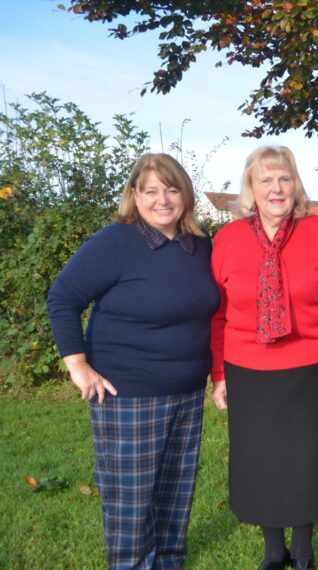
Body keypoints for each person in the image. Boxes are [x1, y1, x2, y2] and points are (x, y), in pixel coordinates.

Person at [47, 153, 219, 569]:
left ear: (186, 195)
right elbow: (63, 298)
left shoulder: (200, 246)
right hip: (128, 393)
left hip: (187, 391)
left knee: (175, 494)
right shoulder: (114, 242)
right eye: (151, 191)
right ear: (134, 196)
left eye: (172, 189)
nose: (163, 200)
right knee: (131, 502)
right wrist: (78, 366)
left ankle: (169, 562)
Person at [210, 145, 318, 570]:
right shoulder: (228, 239)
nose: (276, 188)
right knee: (262, 463)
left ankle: (305, 552)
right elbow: (217, 313)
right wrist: (218, 373)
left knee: (307, 461)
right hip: (248, 370)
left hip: (311, 367)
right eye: (266, 180)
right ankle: (274, 552)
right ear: (251, 189)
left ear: (295, 185)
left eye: (284, 179)